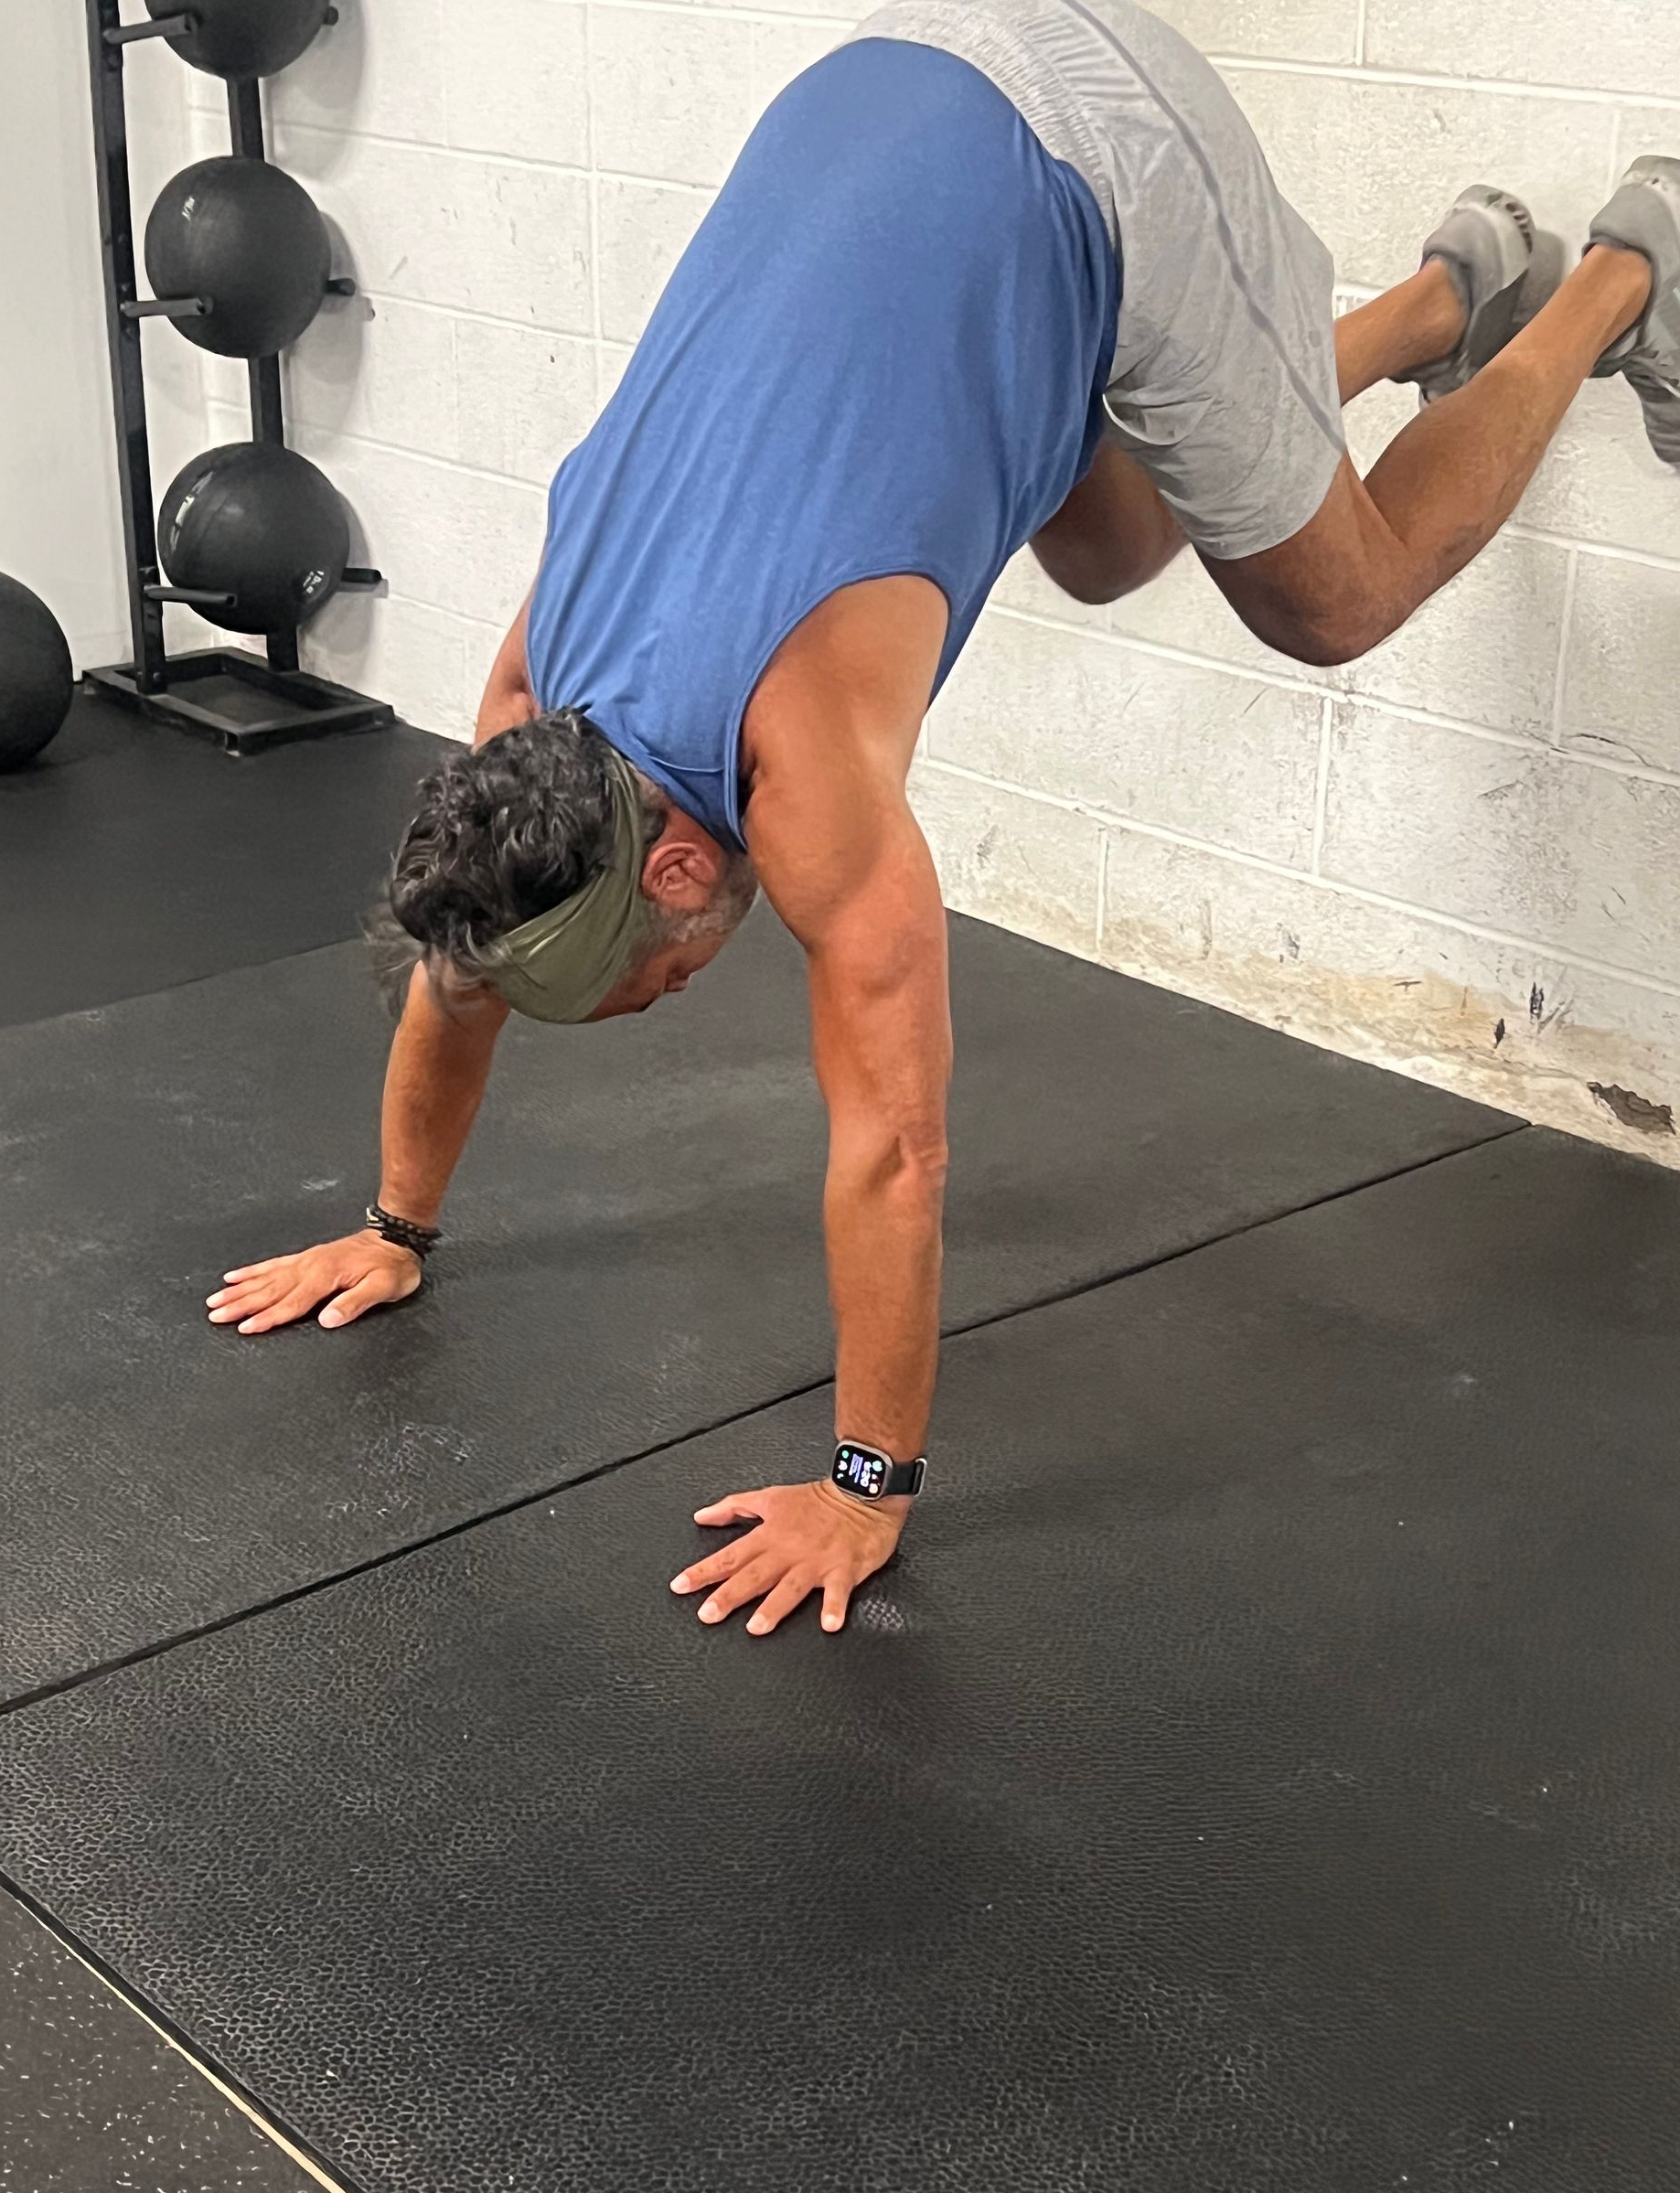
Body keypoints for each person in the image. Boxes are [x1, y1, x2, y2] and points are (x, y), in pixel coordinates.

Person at [209, 0, 1679, 1638]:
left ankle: (1623, 271)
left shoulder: (811, 773)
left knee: (1332, 594)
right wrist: (394, 1226)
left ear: (678, 861)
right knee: (1114, 545)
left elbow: (895, 1155)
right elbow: (460, 969)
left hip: (1088, 138)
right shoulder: (531, 710)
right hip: (885, 96)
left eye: (661, 981)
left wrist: (862, 1488)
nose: (681, 996)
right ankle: (1438, 298)